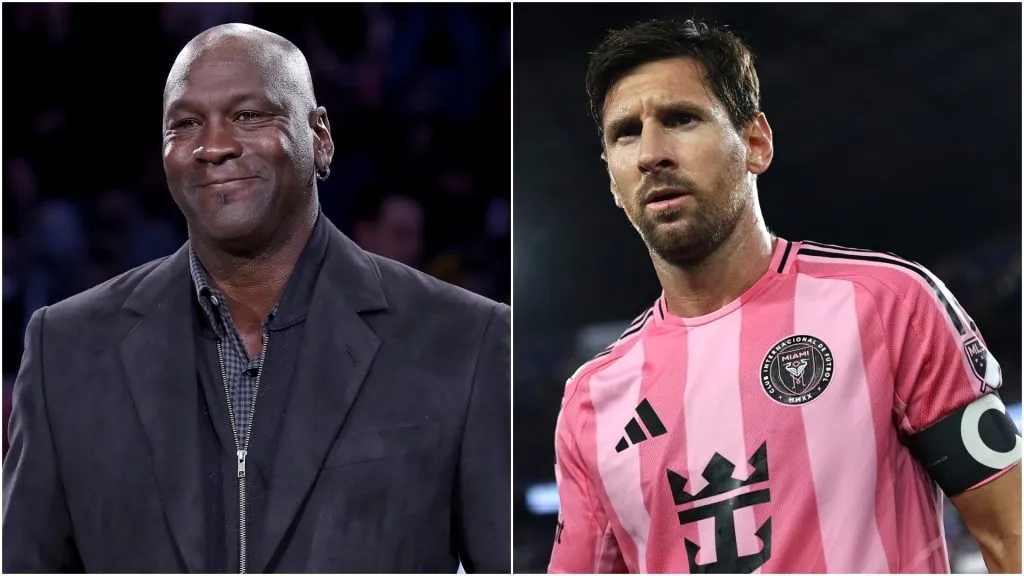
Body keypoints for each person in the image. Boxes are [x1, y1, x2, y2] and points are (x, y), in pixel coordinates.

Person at [2, 23, 510, 573]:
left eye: (249, 116)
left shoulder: (464, 339)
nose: (214, 145)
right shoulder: (68, 348)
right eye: (186, 123)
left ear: (320, 137)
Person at [548, 19, 1020, 574]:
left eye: (681, 118)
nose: (652, 153)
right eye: (625, 133)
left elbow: (1011, 533)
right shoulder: (591, 402)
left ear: (755, 143)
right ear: (613, 180)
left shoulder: (889, 305)